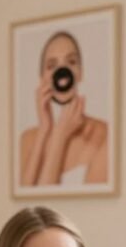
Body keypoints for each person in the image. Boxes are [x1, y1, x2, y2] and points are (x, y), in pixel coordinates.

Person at [20, 31, 108, 188]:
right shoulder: (27, 139)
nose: (61, 71)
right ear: (42, 78)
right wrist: (46, 129)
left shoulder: (103, 134)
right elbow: (26, 201)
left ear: (80, 73)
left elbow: (47, 201)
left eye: (71, 62)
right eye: (51, 66)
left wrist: (60, 135)